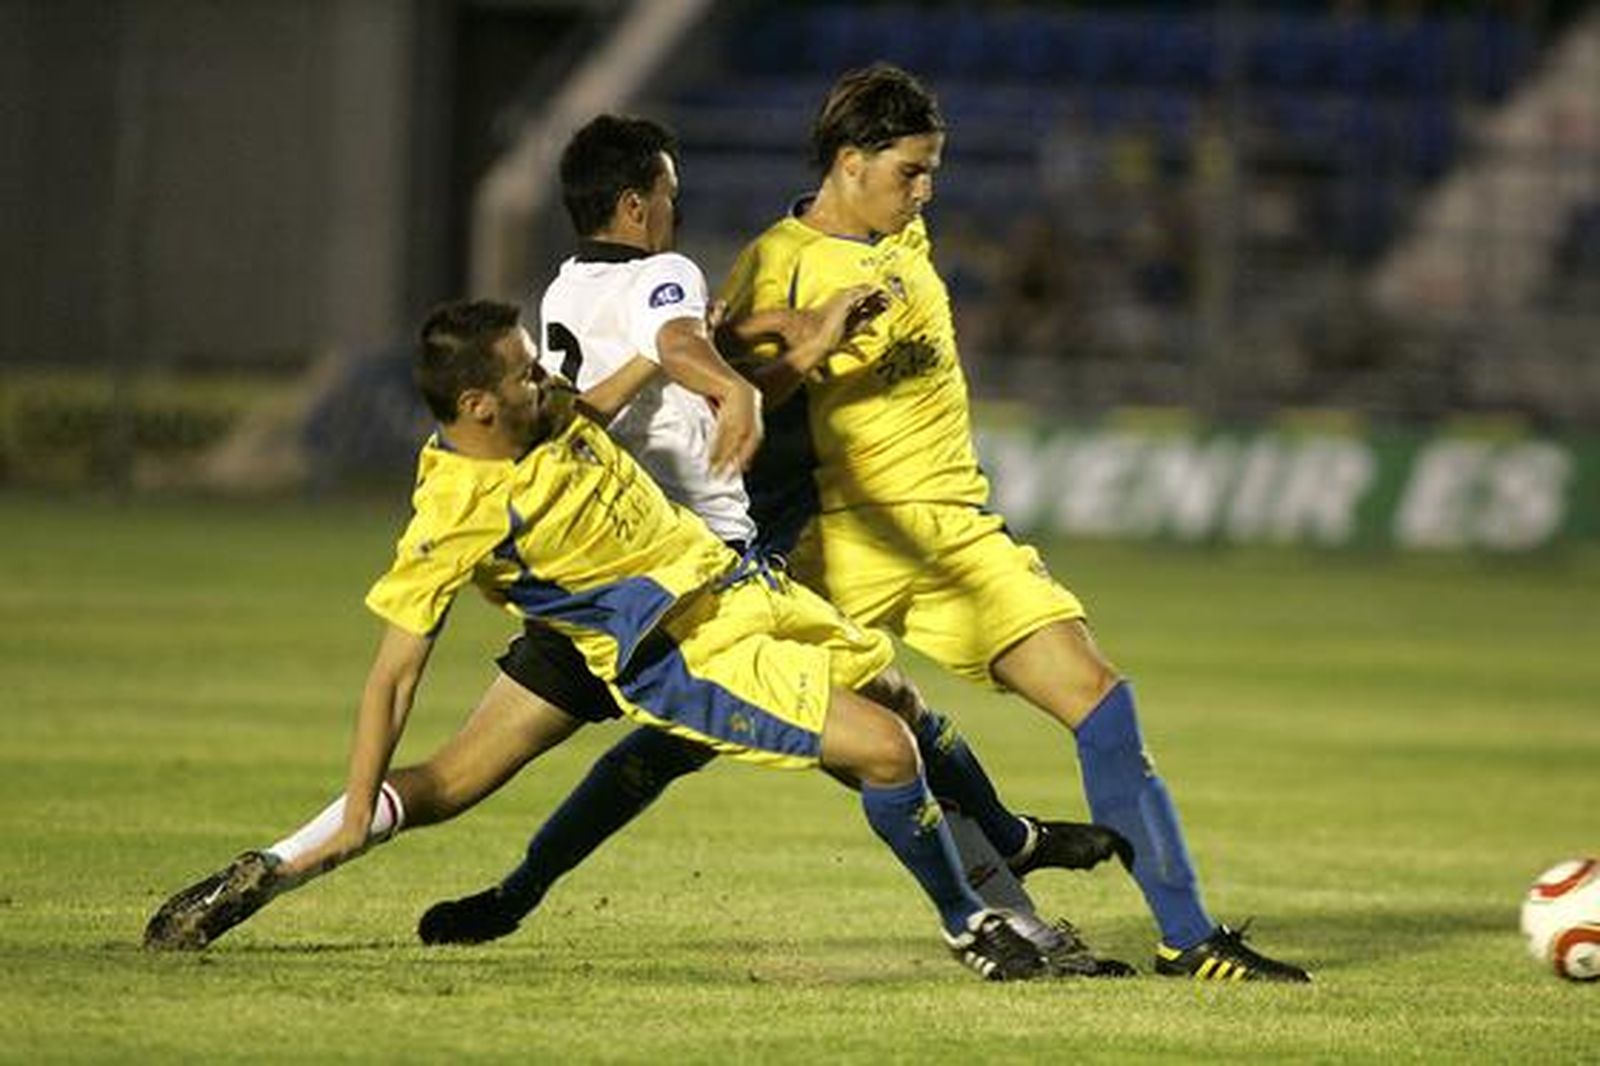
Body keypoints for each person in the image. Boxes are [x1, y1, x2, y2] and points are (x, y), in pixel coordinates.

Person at [432, 68, 1312, 983]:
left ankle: (1189, 938)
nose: (925, 191)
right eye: (910, 171)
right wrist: (799, 350)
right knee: (680, 737)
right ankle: (522, 889)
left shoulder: (905, 231)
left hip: (953, 535)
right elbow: (721, 400)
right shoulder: (776, 263)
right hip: (833, 542)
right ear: (850, 164)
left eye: (932, 171)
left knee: (1099, 697)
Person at [144, 296, 1058, 980]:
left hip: (743, 591)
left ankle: (284, 865)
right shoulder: (458, 505)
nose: (542, 373)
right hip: (685, 652)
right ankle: (972, 926)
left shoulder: (547, 415)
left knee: (898, 696)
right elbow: (393, 673)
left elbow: (635, 373)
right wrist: (351, 810)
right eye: (521, 371)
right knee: (888, 752)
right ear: (476, 406)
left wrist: (733, 363)